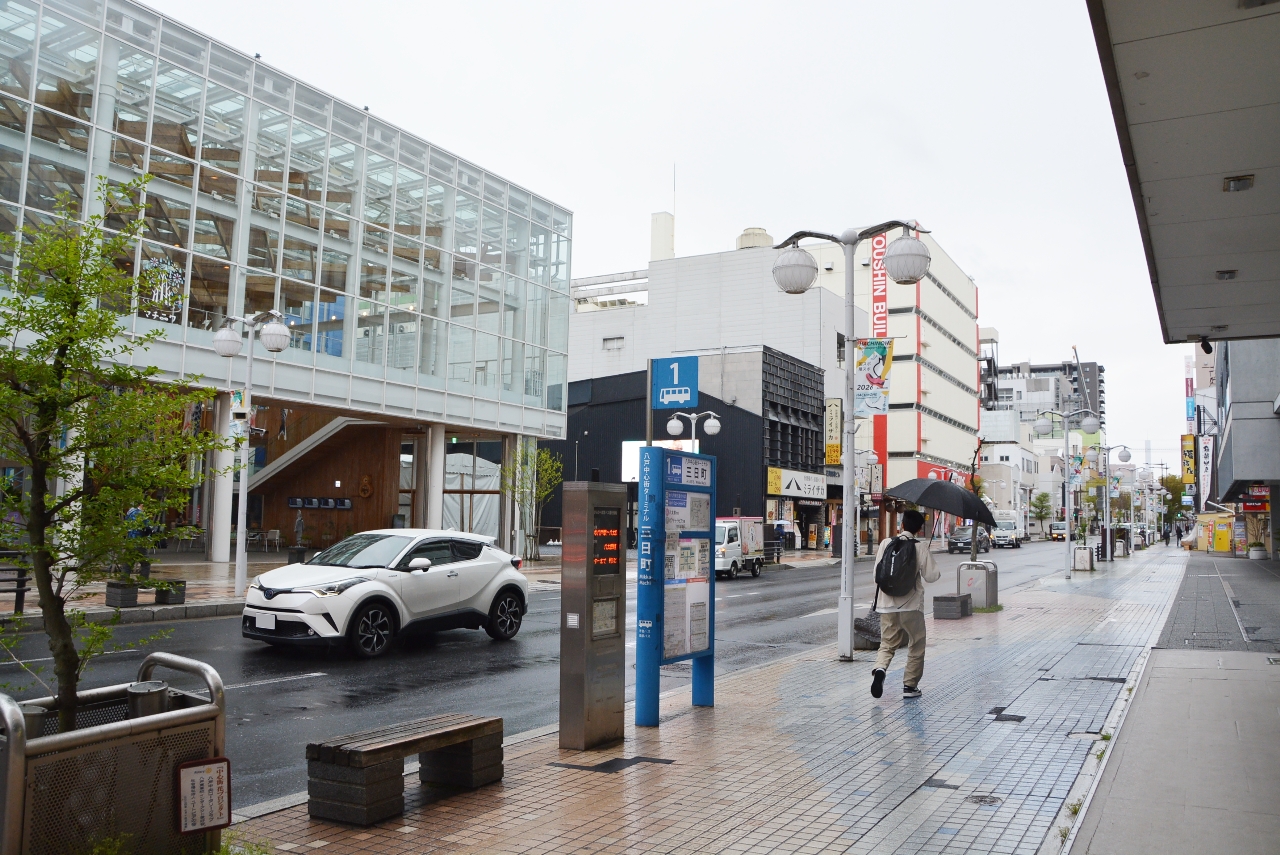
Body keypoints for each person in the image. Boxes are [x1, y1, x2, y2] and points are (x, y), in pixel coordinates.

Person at [871, 509, 941, 700]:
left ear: (901, 525)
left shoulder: (886, 543)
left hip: (887, 605)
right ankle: (910, 686)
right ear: (919, 528)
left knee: (887, 643)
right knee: (916, 644)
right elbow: (932, 576)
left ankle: (880, 670)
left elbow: (876, 574)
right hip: (911, 606)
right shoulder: (920, 547)